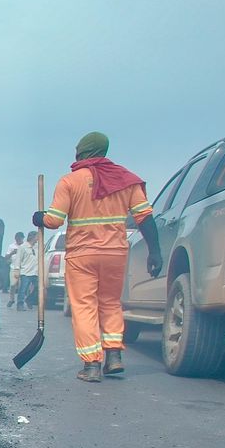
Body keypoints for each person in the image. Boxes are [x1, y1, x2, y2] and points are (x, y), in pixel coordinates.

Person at [37, 131, 162, 382]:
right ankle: (113, 356)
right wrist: (155, 251)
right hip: (115, 253)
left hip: (82, 255)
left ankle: (92, 365)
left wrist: (39, 218)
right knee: (111, 303)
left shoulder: (69, 182)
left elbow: (54, 220)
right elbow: (144, 217)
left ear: (81, 152)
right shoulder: (126, 180)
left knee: (84, 307)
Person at [16, 229, 40, 310]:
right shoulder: (23, 247)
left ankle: (29, 299)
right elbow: (18, 259)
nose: (38, 239)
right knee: (23, 289)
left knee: (38, 288)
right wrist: (17, 270)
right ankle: (20, 304)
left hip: (35, 272)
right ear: (32, 237)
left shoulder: (38, 246)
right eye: (37, 237)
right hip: (25, 272)